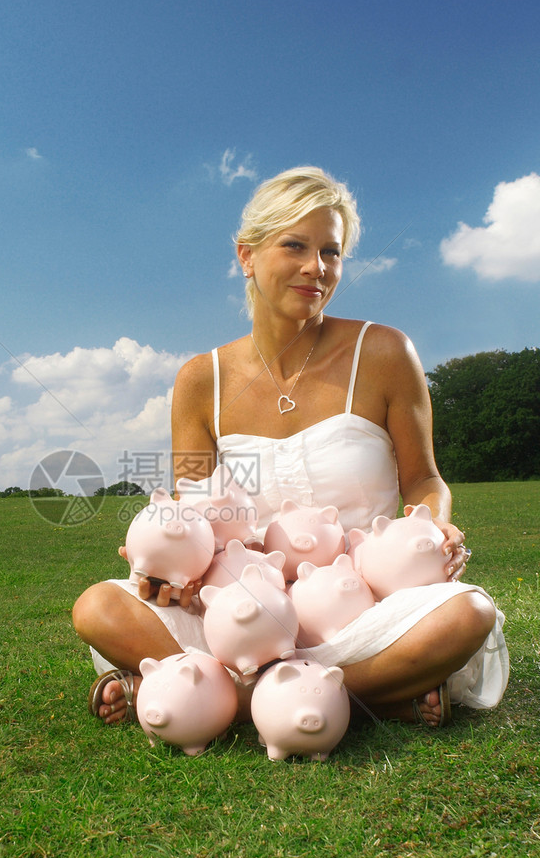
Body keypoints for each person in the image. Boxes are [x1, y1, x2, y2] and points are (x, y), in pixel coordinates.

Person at [72, 166, 508, 729]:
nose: (316, 268)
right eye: (295, 246)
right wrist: (173, 573)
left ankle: (220, 695)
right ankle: (368, 696)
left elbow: (424, 478)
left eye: (332, 252)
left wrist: (432, 529)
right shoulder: (199, 380)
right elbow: (195, 512)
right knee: (98, 607)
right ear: (246, 256)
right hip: (240, 607)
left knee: (467, 614)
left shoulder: (384, 352)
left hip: (363, 604)